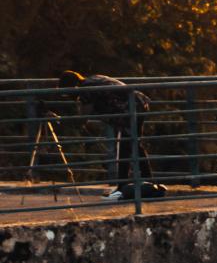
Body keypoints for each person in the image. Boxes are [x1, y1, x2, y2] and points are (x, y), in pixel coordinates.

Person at [56, 70, 165, 200]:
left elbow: (83, 119)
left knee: (126, 147)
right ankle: (149, 184)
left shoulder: (86, 91)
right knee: (134, 145)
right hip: (138, 102)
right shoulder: (93, 79)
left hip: (129, 109)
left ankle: (122, 189)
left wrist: (59, 118)